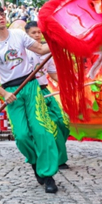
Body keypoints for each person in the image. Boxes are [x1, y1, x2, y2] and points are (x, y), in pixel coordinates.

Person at [0, 5, 59, 194]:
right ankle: (34, 161)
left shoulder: (18, 35)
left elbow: (40, 49)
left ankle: (48, 175)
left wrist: (58, 43)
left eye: (2, 14)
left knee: (41, 130)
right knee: (22, 136)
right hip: (11, 93)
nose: (1, 17)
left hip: (30, 86)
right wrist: (3, 93)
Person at [25, 22, 68, 169]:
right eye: (33, 33)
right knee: (50, 126)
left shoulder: (47, 52)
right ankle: (58, 160)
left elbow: (52, 73)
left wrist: (66, 85)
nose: (37, 35)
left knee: (63, 122)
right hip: (32, 92)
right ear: (27, 35)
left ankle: (56, 154)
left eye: (39, 32)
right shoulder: (24, 53)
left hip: (46, 91)